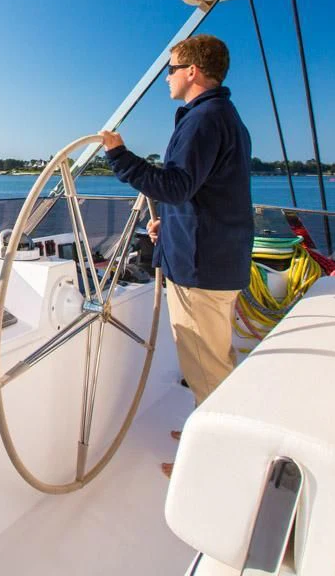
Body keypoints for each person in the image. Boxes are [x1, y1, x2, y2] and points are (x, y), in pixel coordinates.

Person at [99, 34, 252, 478]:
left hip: (201, 269)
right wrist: (169, 223)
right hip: (212, 256)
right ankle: (210, 431)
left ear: (192, 71)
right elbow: (206, 192)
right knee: (213, 361)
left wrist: (118, 156)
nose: (166, 78)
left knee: (208, 369)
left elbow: (175, 184)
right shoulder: (225, 118)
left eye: (171, 69)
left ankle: (217, 467)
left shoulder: (204, 120)